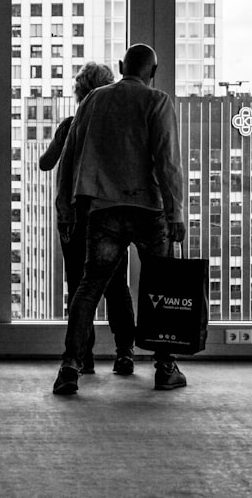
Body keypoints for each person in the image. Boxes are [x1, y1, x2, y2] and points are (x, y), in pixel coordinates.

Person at [52, 44, 186, 395]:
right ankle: (164, 366)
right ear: (152, 72)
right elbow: (168, 163)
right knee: (160, 288)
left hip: (103, 209)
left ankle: (70, 366)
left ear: (121, 65)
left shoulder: (93, 101)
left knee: (90, 286)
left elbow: (70, 158)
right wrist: (177, 214)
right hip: (148, 209)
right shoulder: (157, 101)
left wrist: (65, 207)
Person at [39, 62, 135, 376]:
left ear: (79, 92)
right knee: (116, 286)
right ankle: (124, 353)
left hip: (75, 217)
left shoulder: (70, 125)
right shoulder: (118, 126)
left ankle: (84, 357)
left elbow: (45, 163)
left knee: (78, 286)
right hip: (110, 213)